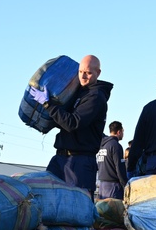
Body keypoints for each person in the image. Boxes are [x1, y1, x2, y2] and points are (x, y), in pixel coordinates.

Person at [29, 55, 111, 195]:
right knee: (48, 200)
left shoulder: (95, 97)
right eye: (80, 72)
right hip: (61, 158)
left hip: (80, 162)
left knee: (77, 209)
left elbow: (72, 123)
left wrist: (48, 104)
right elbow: (63, 120)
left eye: (88, 72)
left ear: (98, 73)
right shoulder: (78, 93)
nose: (83, 76)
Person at [96, 121, 128, 199]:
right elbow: (119, 168)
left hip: (102, 185)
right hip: (113, 186)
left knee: (102, 210)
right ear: (119, 132)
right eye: (123, 131)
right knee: (113, 210)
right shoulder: (116, 146)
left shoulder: (102, 145)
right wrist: (125, 185)